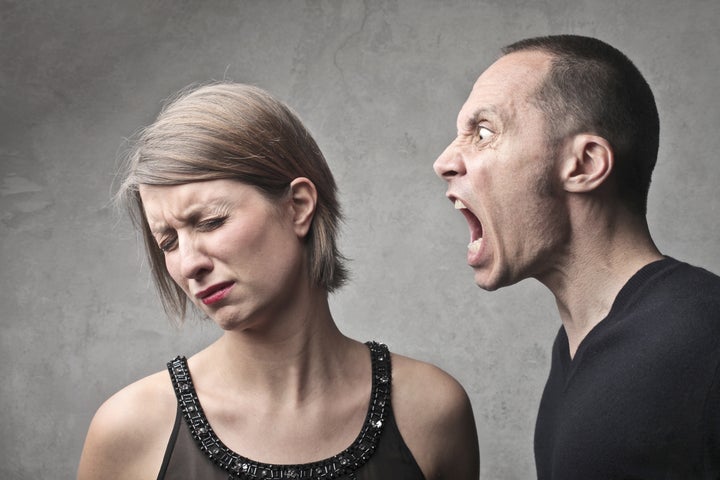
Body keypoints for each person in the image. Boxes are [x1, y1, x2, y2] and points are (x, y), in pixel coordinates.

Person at [78, 82, 479, 480]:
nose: (188, 264)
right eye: (167, 242)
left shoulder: (431, 410)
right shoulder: (130, 429)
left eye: (211, 222)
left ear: (298, 206)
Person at [433, 34, 720, 479]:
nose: (445, 161)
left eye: (483, 132)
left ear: (585, 164)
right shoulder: (573, 349)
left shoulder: (706, 337)